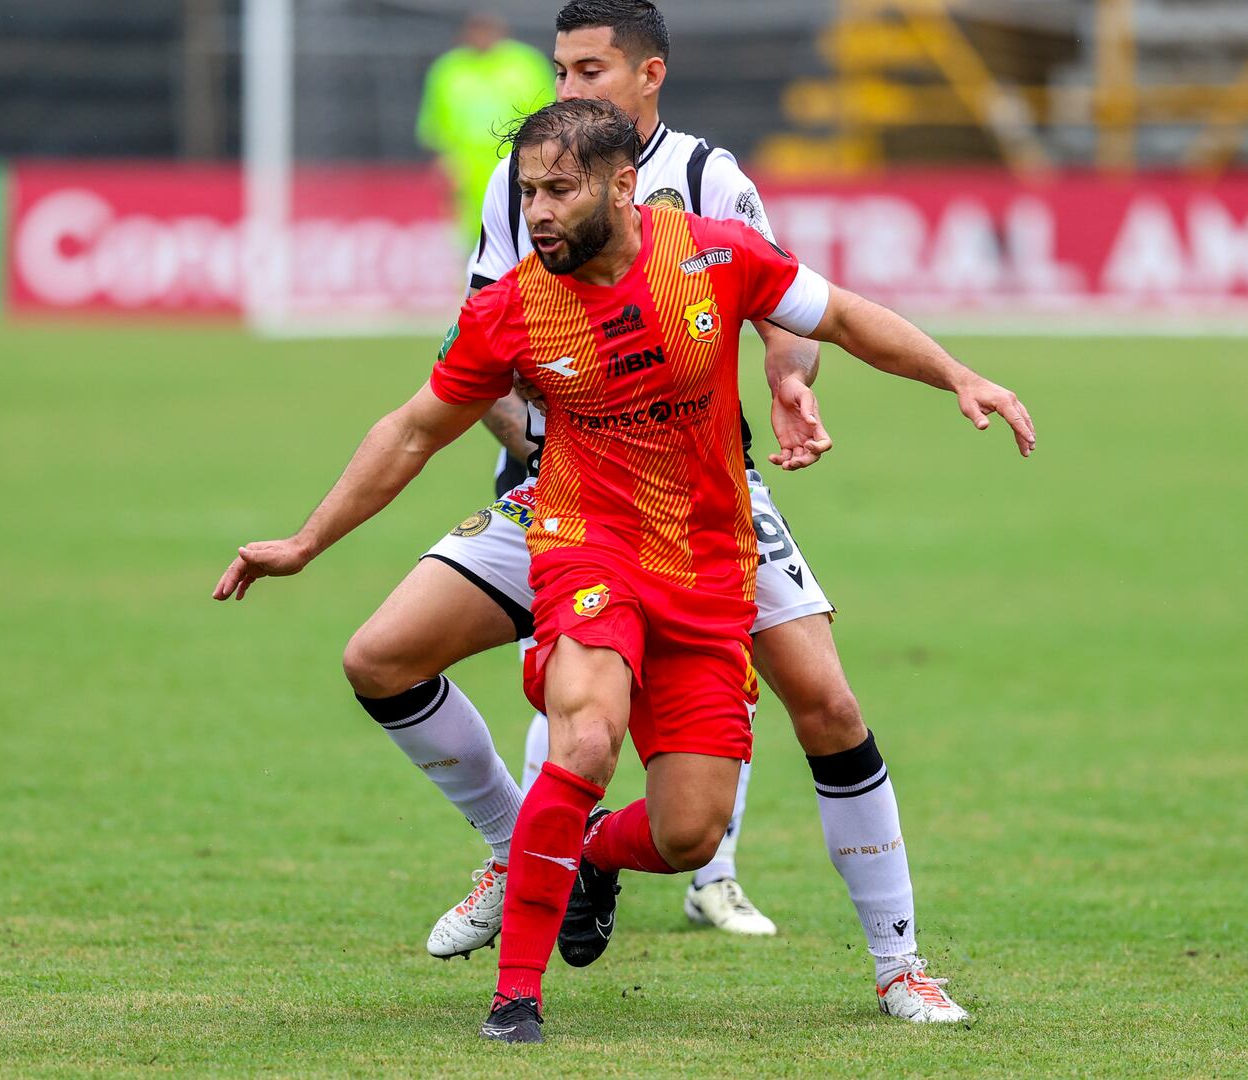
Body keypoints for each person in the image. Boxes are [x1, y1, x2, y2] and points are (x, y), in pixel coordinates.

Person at [216, 99, 1033, 1044]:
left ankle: (581, 854)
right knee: (586, 736)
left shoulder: (715, 255)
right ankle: (515, 995)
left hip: (708, 559)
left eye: (559, 189)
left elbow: (840, 316)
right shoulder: (512, 307)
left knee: (691, 831)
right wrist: (306, 543)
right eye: (528, 193)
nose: (540, 212)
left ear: (620, 184)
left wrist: (959, 376)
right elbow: (409, 433)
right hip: (583, 544)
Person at [357, 0, 968, 1026]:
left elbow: (793, 312)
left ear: (649, 77)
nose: (566, 90)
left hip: (707, 503)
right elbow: (483, 355)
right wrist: (545, 448)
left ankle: (897, 965)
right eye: (557, 69)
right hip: (562, 501)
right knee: (385, 656)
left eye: (589, 69)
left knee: (826, 703)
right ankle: (521, 855)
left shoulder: (712, 183)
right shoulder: (530, 185)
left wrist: (792, 383)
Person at [416, 13, 555, 247]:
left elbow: (550, 117)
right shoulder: (448, 71)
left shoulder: (526, 65)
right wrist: (443, 163)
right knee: (472, 244)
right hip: (467, 177)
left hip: (519, 171)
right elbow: (435, 127)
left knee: (522, 236)